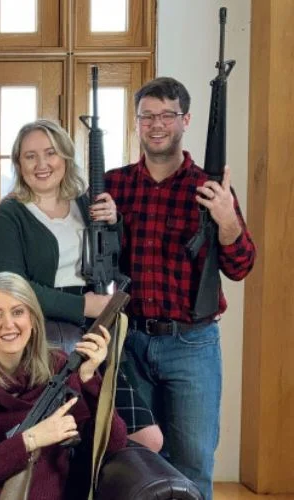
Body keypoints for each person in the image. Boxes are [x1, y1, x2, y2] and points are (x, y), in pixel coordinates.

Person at [104, 77, 255, 499]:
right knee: (135, 460)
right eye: (147, 116)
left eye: (167, 115)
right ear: (137, 123)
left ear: (185, 120)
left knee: (192, 462)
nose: (156, 125)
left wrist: (227, 220)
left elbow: (241, 267)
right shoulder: (115, 185)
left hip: (193, 346)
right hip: (130, 342)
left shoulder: (209, 189)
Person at [0, 119, 162, 451]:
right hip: (44, 338)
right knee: (66, 439)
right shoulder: (10, 216)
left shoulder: (85, 204)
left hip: (96, 332)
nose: (42, 164)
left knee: (144, 437)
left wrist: (116, 222)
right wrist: (82, 306)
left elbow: (112, 259)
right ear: (18, 163)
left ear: (65, 158)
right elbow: (9, 287)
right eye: (30, 156)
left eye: (50, 153)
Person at [0, 272, 127, 499]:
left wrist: (89, 378)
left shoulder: (59, 365)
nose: (8, 324)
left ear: (33, 320)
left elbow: (114, 443)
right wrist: (31, 440)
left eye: (18, 312)